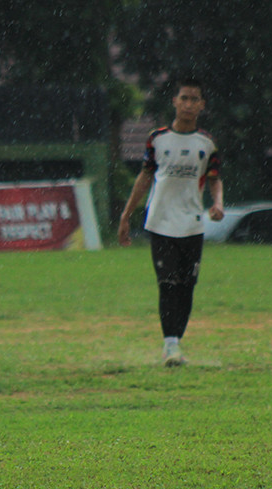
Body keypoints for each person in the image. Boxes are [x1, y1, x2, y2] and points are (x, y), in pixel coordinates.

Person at [117, 77, 224, 366]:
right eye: (184, 98)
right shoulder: (157, 139)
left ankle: (175, 341)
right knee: (168, 283)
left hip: (192, 223)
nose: (188, 104)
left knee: (187, 286)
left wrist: (217, 204)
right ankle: (171, 345)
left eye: (194, 99)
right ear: (175, 102)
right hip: (161, 222)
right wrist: (126, 217)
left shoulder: (207, 143)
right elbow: (144, 177)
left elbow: (214, 179)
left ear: (201, 106)